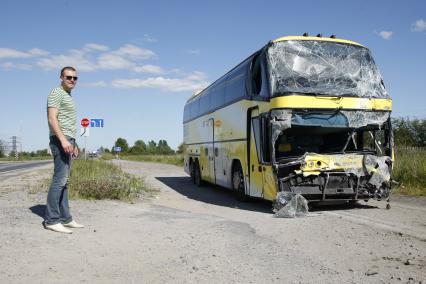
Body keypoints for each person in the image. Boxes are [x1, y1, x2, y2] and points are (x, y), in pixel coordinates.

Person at [44, 66, 84, 234]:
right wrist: (63, 140)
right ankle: (52, 220)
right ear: (61, 77)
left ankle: (65, 218)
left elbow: (68, 123)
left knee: (64, 181)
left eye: (75, 78)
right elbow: (52, 119)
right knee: (59, 180)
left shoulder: (68, 96)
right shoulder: (56, 92)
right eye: (69, 77)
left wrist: (74, 143)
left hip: (68, 139)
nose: (72, 80)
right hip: (61, 140)